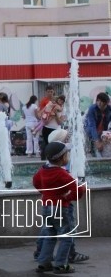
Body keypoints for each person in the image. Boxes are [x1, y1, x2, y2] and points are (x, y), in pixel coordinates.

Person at [33, 142, 85, 274]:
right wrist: (68, 197)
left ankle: (43, 263)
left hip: (46, 207)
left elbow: (35, 181)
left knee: (50, 235)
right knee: (66, 237)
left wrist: (45, 193)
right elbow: (77, 190)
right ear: (62, 158)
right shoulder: (62, 174)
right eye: (67, 154)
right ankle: (61, 264)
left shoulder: (43, 170)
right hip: (60, 208)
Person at [84, 92, 111, 158]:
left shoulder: (109, 109)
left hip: (102, 132)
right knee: (92, 151)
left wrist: (107, 136)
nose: (99, 103)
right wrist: (96, 141)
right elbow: (91, 126)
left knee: (104, 151)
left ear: (106, 103)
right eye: (98, 100)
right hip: (90, 132)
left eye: (101, 101)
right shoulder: (92, 109)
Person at [39, 95, 65, 160]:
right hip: (47, 128)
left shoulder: (62, 109)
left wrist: (55, 115)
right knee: (46, 144)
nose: (60, 101)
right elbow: (44, 116)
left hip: (56, 130)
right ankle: (44, 159)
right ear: (57, 99)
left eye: (62, 101)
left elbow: (60, 122)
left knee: (54, 145)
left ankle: (54, 159)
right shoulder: (51, 105)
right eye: (60, 100)